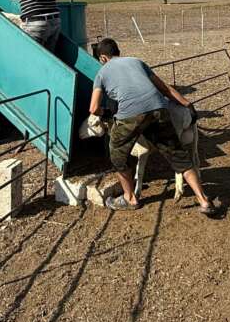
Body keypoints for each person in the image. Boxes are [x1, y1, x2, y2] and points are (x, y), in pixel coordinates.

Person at [89, 38, 222, 217]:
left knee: (117, 156)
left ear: (103, 58)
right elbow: (166, 89)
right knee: (178, 155)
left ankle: (130, 198)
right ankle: (204, 200)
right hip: (158, 108)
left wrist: (108, 113)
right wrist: (187, 104)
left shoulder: (102, 73)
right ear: (118, 51)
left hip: (130, 115)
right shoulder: (137, 62)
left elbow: (93, 108)